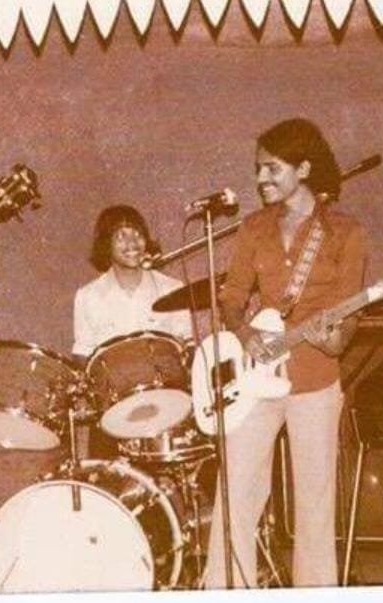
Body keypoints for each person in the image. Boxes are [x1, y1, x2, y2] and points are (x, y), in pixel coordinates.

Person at [204, 117, 367, 588]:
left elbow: (349, 314)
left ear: (304, 169)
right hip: (257, 379)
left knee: (314, 504)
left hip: (315, 379)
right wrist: (243, 332)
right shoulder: (254, 228)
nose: (261, 178)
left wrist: (336, 339)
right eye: (258, 168)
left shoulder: (345, 232)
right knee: (235, 493)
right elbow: (232, 298)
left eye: (272, 168)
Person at [71, 204, 191, 358]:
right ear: (106, 244)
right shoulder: (87, 296)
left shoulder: (172, 289)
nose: (133, 243)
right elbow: (82, 354)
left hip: (164, 373)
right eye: (121, 236)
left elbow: (188, 345)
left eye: (138, 234)